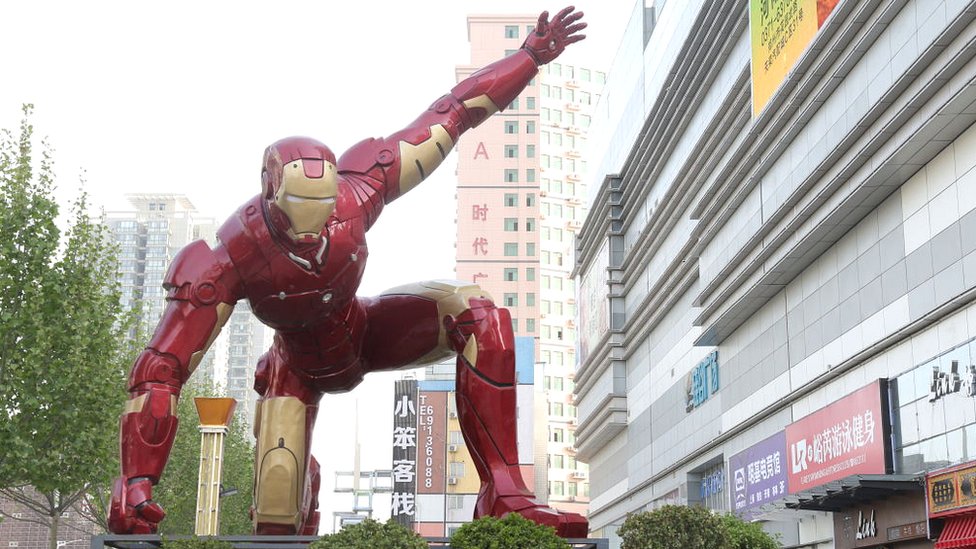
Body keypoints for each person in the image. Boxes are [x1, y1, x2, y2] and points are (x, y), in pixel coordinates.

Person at [108, 6, 587, 538]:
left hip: (365, 332)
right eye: (299, 221)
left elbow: (452, 114)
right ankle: (297, 498)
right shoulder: (224, 260)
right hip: (295, 366)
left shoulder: (359, 191)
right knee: (275, 508)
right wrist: (136, 481)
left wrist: (529, 57)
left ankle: (504, 492)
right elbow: (162, 367)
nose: (313, 234)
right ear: (270, 196)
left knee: (479, 315)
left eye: (322, 214)